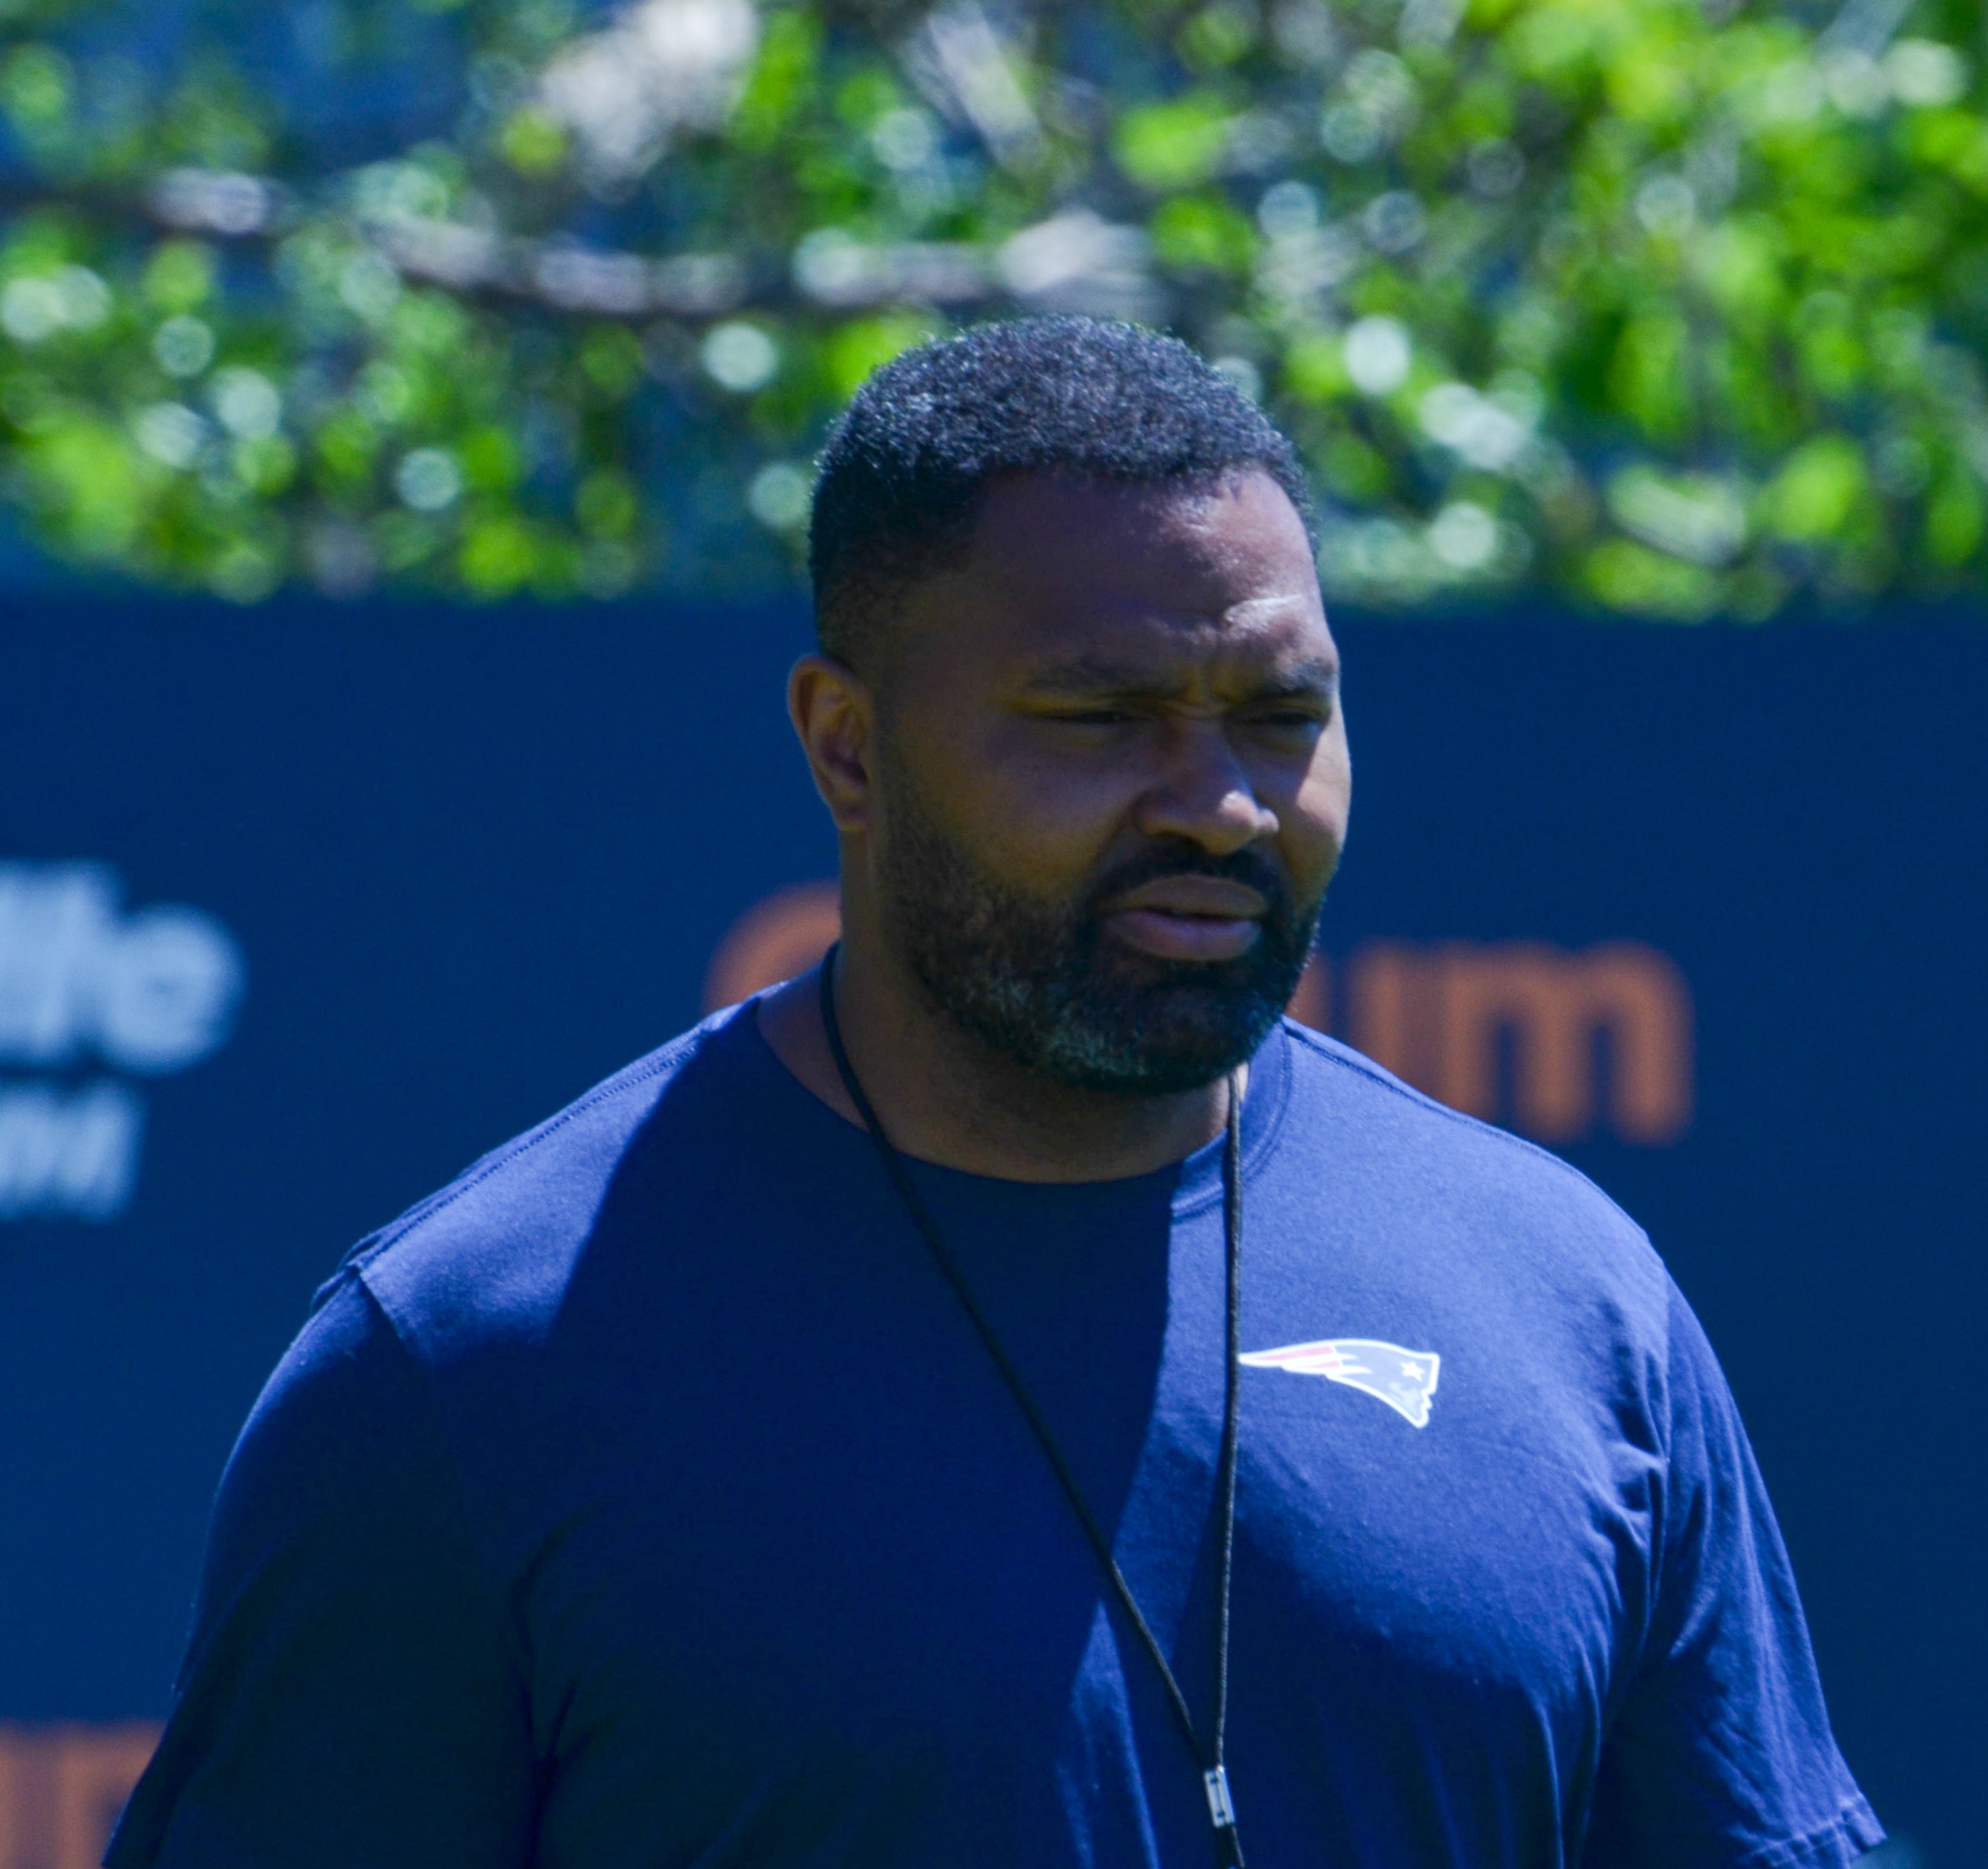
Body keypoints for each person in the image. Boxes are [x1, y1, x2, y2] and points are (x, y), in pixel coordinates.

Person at [108, 316, 1884, 1869]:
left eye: (1278, 715)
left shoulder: (1564, 1300)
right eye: (1098, 716)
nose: (1221, 804)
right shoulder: (466, 1368)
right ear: (847, 748)